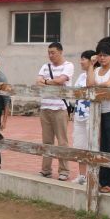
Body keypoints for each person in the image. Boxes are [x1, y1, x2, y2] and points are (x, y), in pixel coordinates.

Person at [87, 40, 110, 193]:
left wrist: (96, 85)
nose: (102, 58)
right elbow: (89, 83)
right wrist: (90, 65)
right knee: (100, 146)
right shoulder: (96, 70)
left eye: (105, 55)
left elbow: (109, 84)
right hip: (99, 113)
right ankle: (101, 180)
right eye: (100, 55)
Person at [36, 42, 74, 180]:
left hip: (60, 108)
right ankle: (46, 169)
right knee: (47, 141)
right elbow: (37, 81)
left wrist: (46, 81)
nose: (50, 55)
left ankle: (64, 171)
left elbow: (61, 80)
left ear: (60, 52)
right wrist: (51, 81)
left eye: (53, 52)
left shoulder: (68, 66)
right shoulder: (45, 66)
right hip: (45, 107)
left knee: (62, 141)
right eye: (49, 53)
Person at [71, 50, 96, 185]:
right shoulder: (81, 76)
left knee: (92, 146)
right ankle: (82, 176)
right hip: (79, 114)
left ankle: (92, 176)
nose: (81, 62)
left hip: (91, 116)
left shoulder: (96, 74)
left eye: (84, 59)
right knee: (80, 146)